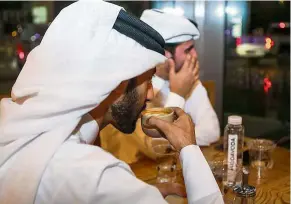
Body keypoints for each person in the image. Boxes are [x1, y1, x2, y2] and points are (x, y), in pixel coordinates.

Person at [0, 1, 223, 204]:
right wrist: (188, 148)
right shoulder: (97, 176)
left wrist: (138, 191)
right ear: (117, 80)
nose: (150, 93)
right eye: (147, 80)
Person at [100, 9, 220, 163]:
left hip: (166, 174)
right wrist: (178, 95)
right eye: (188, 49)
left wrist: (177, 139)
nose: (195, 55)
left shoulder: (187, 81)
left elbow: (212, 131)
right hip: (133, 176)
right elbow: (154, 146)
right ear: (165, 54)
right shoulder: (133, 87)